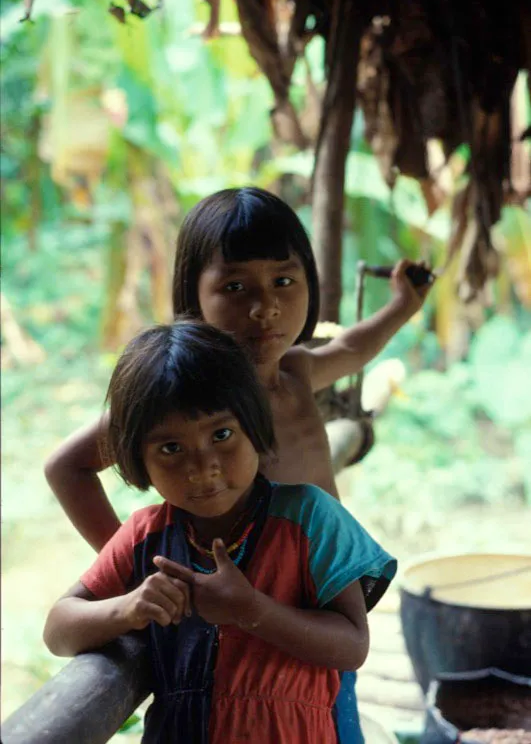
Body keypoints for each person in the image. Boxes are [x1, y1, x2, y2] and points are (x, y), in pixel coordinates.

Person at [44, 320, 397, 744]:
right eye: (170, 448)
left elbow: (352, 646)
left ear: (255, 428)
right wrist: (130, 607)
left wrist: (251, 610)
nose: (201, 466)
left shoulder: (310, 519)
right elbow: (58, 630)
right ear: (137, 457)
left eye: (222, 434)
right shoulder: (145, 535)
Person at [44, 186, 432, 552]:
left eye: (282, 280)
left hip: (326, 577)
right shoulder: (188, 394)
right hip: (249, 600)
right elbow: (67, 467)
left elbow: (351, 346)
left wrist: (404, 305)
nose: (266, 306)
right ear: (192, 292)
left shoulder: (296, 371)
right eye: (234, 287)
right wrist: (129, 566)